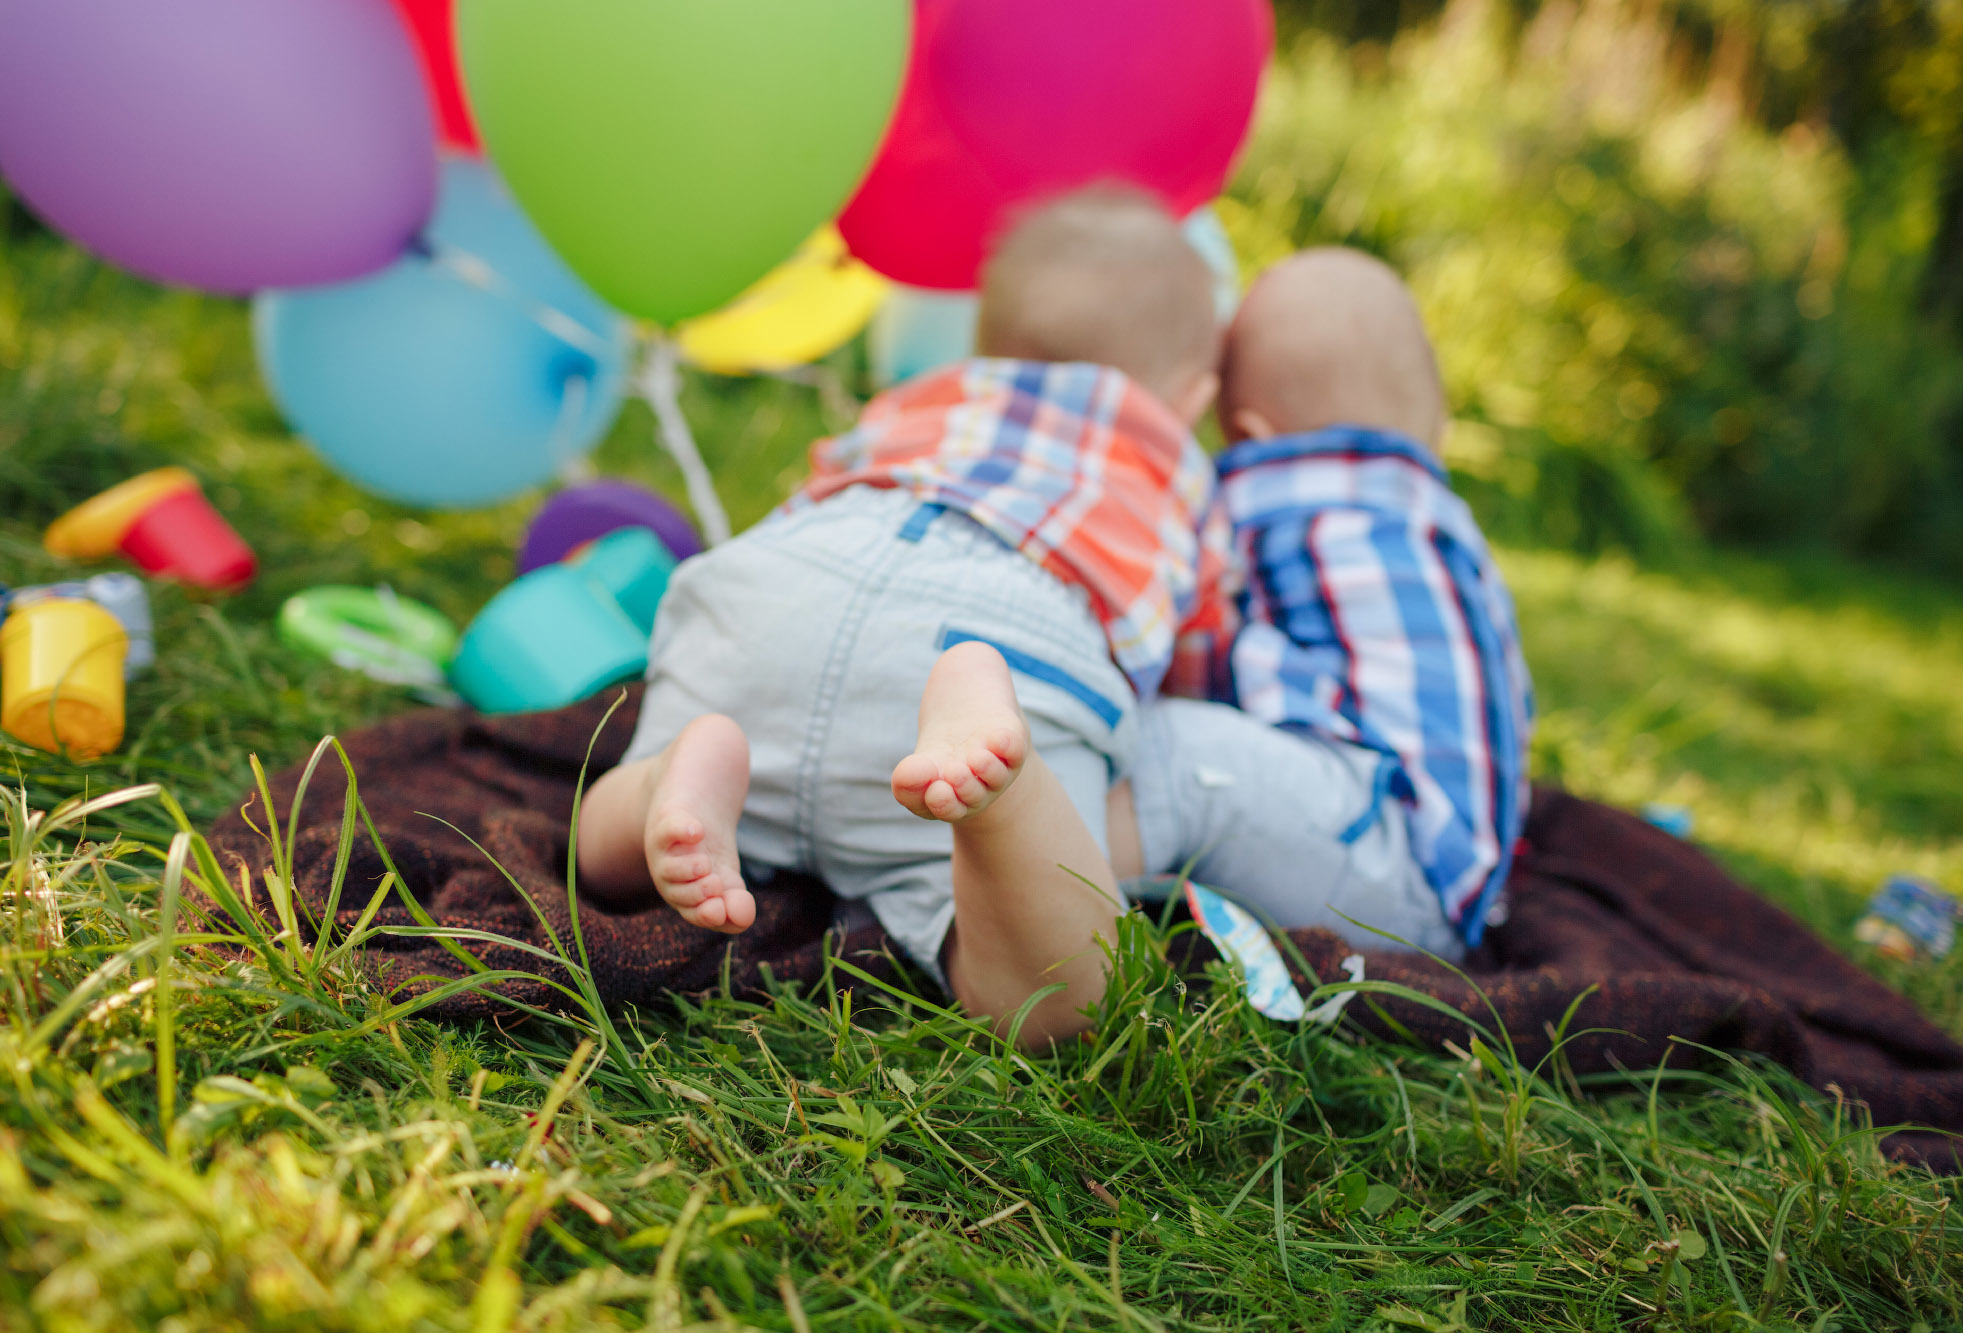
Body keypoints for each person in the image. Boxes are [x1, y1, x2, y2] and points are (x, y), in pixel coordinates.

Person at [574, 186, 1233, 1045]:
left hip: (775, 590)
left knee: (599, 853)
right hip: (1006, 622)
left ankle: (663, 780)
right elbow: (1195, 661)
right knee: (1068, 1004)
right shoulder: (1176, 465)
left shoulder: (919, 402)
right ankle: (998, 795)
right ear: (1192, 394)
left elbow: (817, 490)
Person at [1110, 248, 1535, 960]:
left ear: (1248, 432)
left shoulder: (1261, 499)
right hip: (1457, 880)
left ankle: (1034, 913)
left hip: (1378, 870)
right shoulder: (1444, 525)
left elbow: (1189, 647)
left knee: (1163, 748)